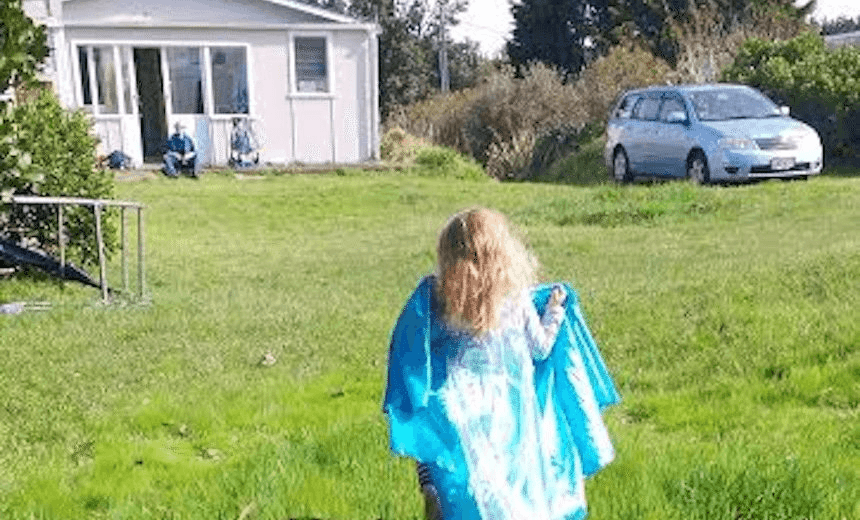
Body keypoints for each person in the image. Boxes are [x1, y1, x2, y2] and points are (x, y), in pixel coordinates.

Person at [383, 207, 620, 520]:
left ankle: (434, 491)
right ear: (503, 256)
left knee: (462, 481)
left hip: (464, 415)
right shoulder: (517, 301)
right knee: (515, 490)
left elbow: (421, 359)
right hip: (512, 418)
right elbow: (541, 348)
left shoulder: (442, 307)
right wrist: (554, 311)